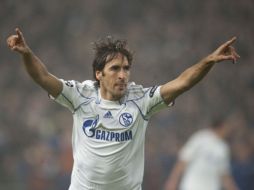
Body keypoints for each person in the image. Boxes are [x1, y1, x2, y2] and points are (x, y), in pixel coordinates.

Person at [7, 28, 240, 190]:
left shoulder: (141, 100)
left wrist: (208, 60)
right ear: (99, 73)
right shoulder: (80, 95)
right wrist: (27, 54)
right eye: (115, 68)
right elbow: (43, 77)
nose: (123, 75)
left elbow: (182, 82)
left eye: (126, 69)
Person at [164, 118, 239, 190]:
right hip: (192, 186)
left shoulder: (223, 148)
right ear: (221, 126)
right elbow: (183, 160)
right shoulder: (200, 138)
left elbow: (224, 175)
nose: (229, 130)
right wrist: (172, 182)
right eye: (227, 127)